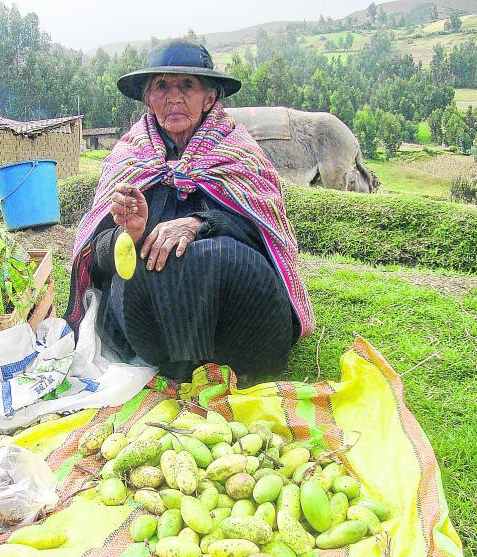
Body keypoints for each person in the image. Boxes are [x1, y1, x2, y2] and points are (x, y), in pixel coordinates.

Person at [65, 40, 315, 384]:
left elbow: (267, 240)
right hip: (156, 337)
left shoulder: (238, 154)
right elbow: (97, 258)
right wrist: (130, 235)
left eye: (187, 85)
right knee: (137, 271)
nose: (174, 98)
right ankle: (180, 369)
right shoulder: (129, 159)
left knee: (221, 254)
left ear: (209, 98)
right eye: (162, 87)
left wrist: (201, 223)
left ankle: (231, 369)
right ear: (148, 99)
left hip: (238, 335)